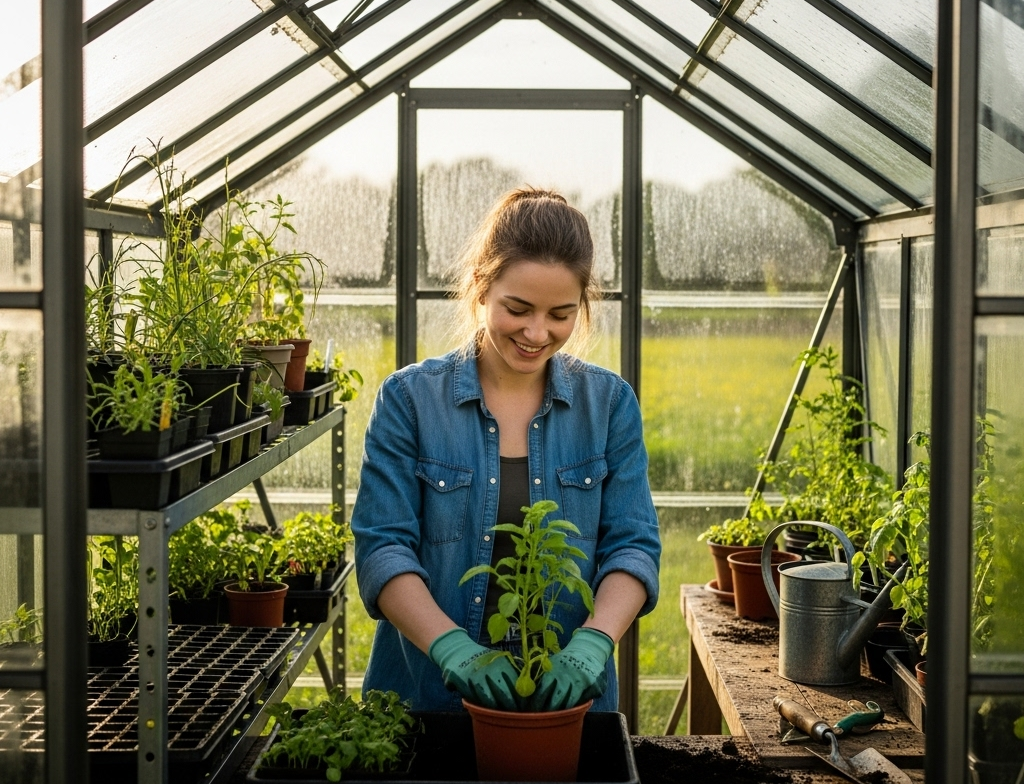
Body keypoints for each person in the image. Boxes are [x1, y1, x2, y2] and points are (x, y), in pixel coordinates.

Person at [351, 188, 661, 713]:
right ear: (481, 285)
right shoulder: (410, 400)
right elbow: (383, 548)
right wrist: (449, 647)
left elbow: (633, 545)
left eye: (561, 314)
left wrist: (594, 640)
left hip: (567, 707)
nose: (537, 333)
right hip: (430, 702)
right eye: (518, 309)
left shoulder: (608, 404)